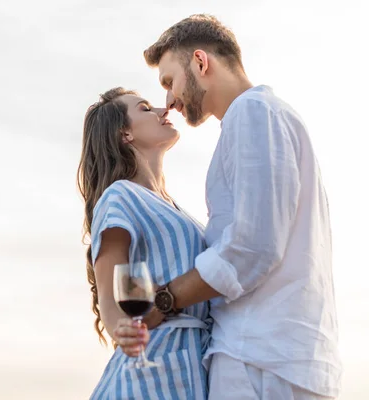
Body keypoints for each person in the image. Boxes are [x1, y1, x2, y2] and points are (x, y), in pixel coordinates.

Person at [130, 14, 341, 399]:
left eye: (169, 81)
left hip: (258, 357)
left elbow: (252, 246)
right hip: (279, 357)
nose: (169, 100)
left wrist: (165, 299)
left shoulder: (253, 112)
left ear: (200, 61)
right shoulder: (269, 116)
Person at [77, 87, 212, 399]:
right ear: (124, 133)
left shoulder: (174, 207)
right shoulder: (120, 196)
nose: (163, 111)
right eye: (145, 108)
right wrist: (121, 328)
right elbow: (113, 299)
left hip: (194, 371)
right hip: (149, 377)